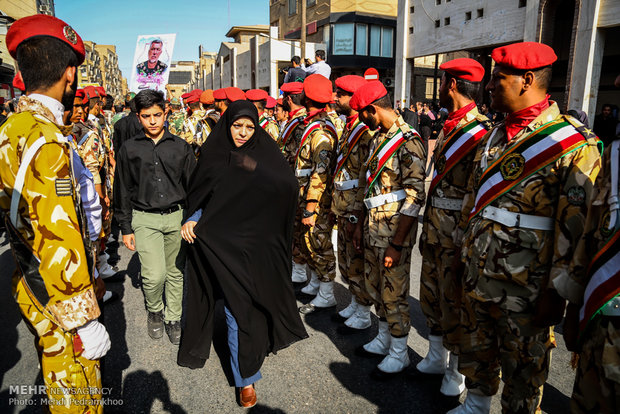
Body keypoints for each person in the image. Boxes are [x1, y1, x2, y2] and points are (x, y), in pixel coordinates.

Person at [448, 42, 602, 414]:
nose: (488, 87)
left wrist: (558, 293)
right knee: (477, 348)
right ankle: (477, 404)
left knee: (524, 370)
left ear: (526, 80)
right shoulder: (494, 136)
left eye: (498, 79)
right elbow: (474, 199)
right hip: (478, 272)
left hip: (527, 287)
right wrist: (458, 250)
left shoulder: (573, 145)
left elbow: (576, 230)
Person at [0, 14, 111, 411]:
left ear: (20, 68)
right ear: (69, 74)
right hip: (56, 291)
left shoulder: (13, 127)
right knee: (78, 398)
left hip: (29, 275)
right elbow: (58, 233)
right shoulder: (48, 140)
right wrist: (83, 318)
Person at [177, 100, 308, 408]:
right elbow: (200, 194)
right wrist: (193, 218)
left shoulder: (264, 150)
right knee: (236, 307)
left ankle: (249, 362)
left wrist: (253, 171)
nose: (243, 133)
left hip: (257, 244)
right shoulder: (212, 153)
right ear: (228, 124)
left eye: (250, 127)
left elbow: (287, 186)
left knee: (250, 306)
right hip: (221, 243)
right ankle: (246, 379)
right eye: (238, 126)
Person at [415, 58, 490, 398]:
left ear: (453, 85)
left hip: (456, 236)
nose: (441, 87)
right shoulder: (450, 125)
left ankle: (455, 371)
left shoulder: (480, 132)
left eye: (443, 81)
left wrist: (463, 241)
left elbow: (475, 195)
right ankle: (435, 356)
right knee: (432, 297)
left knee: (455, 303)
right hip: (434, 229)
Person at [349, 81, 427, 379]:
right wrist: (359, 226)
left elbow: (414, 196)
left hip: (393, 231)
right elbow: (368, 183)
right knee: (378, 289)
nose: (360, 120)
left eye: (362, 114)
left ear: (373, 110)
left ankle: (399, 352)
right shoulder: (378, 138)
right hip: (372, 227)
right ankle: (384, 338)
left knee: (394, 293)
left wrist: (397, 242)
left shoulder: (408, 141)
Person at [115, 89, 196, 345]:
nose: (152, 121)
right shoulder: (129, 149)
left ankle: (173, 317)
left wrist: (193, 218)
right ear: (138, 117)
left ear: (166, 113)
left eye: (157, 115)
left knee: (175, 272)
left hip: (177, 217)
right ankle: (155, 310)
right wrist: (126, 227)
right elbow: (122, 188)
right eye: (146, 116)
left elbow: (193, 186)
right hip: (144, 218)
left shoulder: (181, 147)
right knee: (153, 276)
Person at [557, 134, 618, 414]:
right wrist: (574, 304)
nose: (616, 85)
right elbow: (592, 232)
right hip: (601, 320)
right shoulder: (615, 152)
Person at [330, 75, 375, 331]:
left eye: (342, 93)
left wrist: (357, 214)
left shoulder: (365, 130)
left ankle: (363, 309)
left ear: (355, 97)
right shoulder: (348, 125)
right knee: (347, 261)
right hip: (343, 203)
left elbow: (366, 175)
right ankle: (356, 303)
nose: (336, 98)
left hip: (355, 205)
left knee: (358, 261)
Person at [294, 75, 339, 314]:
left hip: (317, 199)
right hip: (304, 195)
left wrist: (310, 206)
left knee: (319, 243)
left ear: (307, 97)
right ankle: (315, 281)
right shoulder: (313, 124)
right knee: (308, 242)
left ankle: (327, 292)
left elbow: (319, 174)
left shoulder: (320, 131)